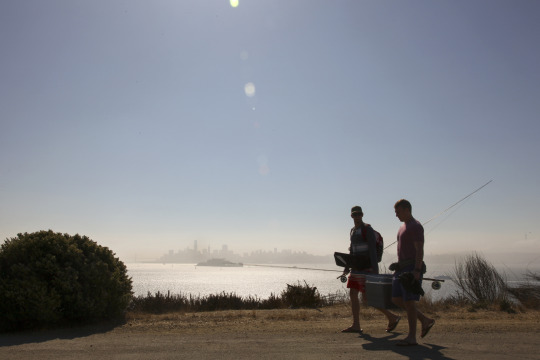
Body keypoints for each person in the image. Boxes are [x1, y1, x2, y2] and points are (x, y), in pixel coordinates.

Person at [341, 206, 401, 334]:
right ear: (351, 216)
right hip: (356, 269)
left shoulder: (367, 229)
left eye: (358, 214)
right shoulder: (352, 231)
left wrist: (375, 271)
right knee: (353, 295)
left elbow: (373, 251)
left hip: (367, 269)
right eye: (354, 214)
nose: (356, 216)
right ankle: (356, 325)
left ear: (362, 215)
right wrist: (347, 267)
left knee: (367, 299)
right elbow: (352, 250)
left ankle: (392, 317)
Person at [391, 199, 435, 346]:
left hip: (411, 268)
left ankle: (411, 337)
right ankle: (424, 320)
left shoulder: (415, 226)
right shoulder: (402, 227)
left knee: (409, 302)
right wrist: (397, 265)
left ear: (406, 210)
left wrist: (417, 270)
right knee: (396, 299)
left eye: (398, 212)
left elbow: (419, 249)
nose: (396, 215)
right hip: (401, 269)